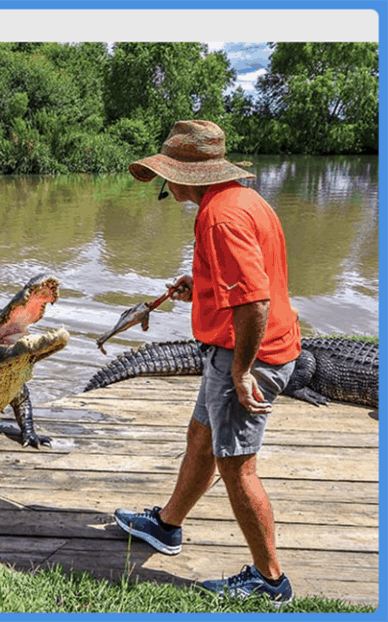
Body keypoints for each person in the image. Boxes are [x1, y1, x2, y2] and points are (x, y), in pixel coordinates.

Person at [114, 120, 301, 604]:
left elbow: (255, 302)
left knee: (237, 466)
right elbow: (252, 278)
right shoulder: (242, 201)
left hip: (249, 354)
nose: (165, 184)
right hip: (237, 348)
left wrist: (242, 371)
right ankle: (167, 525)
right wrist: (201, 285)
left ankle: (270, 581)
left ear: (187, 175)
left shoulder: (221, 217)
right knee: (201, 437)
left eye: (167, 175)